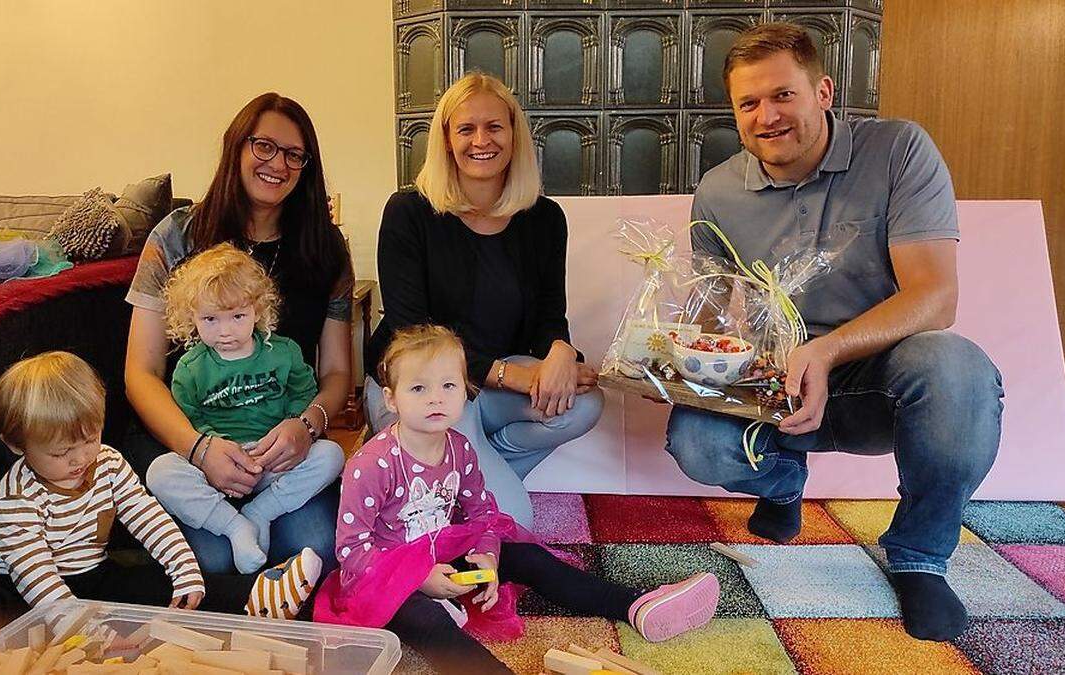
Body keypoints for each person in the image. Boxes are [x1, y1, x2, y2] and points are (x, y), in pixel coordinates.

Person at [667, 23, 1003, 641]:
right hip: (776, 380)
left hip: (887, 371)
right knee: (696, 441)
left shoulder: (899, 149)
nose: (766, 115)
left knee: (958, 373)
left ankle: (920, 556)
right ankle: (782, 481)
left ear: (822, 91)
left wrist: (825, 350)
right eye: (748, 103)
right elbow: (714, 311)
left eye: (782, 95)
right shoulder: (717, 191)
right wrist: (675, 357)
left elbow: (937, 297)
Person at [315, 326, 718, 674]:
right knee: (430, 621)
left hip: (441, 554)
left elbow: (482, 515)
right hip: (384, 577)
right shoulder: (372, 464)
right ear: (391, 399)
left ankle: (635, 604)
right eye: (419, 388)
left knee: (531, 556)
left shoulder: (459, 447)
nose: (436, 399)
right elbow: (352, 551)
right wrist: (417, 577)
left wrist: (487, 557)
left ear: (465, 391)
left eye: (449, 386)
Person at [124, 92, 353, 574]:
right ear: (237, 147)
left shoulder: (325, 248)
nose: (278, 164)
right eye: (264, 146)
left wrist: (307, 425)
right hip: (195, 437)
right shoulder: (175, 236)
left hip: (282, 448)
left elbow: (336, 373)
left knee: (316, 547)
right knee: (211, 559)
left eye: (295, 154)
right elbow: (140, 374)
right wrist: (198, 448)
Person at [366, 73, 603, 528]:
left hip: (490, 390)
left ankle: (453, 487)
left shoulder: (545, 218)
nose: (481, 141)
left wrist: (560, 352)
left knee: (586, 404)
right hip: (422, 385)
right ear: (446, 140)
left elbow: (550, 311)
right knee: (515, 523)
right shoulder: (408, 212)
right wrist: (510, 375)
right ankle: (471, 488)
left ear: (514, 135)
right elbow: (409, 333)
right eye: (466, 129)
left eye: (494, 127)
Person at [0, 351, 322, 619]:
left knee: (163, 584)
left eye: (90, 439)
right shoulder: (14, 501)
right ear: (17, 447)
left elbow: (147, 517)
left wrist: (184, 571)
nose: (80, 459)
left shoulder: (105, 461)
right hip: (21, 590)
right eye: (62, 452)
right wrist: (82, 631)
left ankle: (254, 596)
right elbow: (37, 579)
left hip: (91, 575)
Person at [145, 243, 344, 574]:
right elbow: (190, 421)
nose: (225, 331)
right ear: (190, 317)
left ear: (258, 310)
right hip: (217, 467)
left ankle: (259, 514)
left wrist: (295, 426)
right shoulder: (190, 368)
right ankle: (234, 526)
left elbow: (304, 394)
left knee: (331, 455)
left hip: (274, 461)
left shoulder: (285, 353)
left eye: (237, 316)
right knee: (161, 472)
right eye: (210, 319)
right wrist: (213, 449)